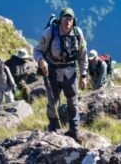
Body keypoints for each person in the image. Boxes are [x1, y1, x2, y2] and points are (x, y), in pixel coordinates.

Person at [33, 7, 88, 142]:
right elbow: (37, 50)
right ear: (60, 19)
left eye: (70, 18)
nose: (67, 21)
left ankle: (74, 131)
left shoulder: (77, 33)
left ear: (73, 20)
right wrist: (41, 62)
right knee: (53, 101)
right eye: (65, 18)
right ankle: (53, 129)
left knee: (73, 102)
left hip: (71, 73)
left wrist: (84, 75)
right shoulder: (50, 32)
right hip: (53, 71)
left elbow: (82, 55)